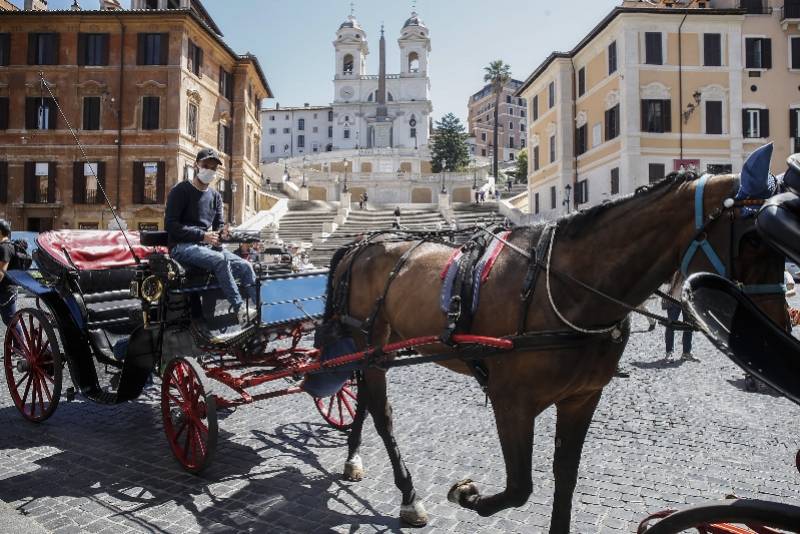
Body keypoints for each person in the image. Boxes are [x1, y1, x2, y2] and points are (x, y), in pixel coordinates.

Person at [165, 148, 257, 327]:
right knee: (220, 259)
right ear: (196, 165)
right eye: (206, 166)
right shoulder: (180, 190)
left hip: (205, 247)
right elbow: (170, 225)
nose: (210, 171)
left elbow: (219, 226)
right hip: (181, 247)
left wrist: (223, 232)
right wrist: (202, 235)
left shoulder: (215, 196)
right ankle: (240, 310)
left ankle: (263, 310)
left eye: (213, 168)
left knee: (246, 267)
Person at [663, 272, 695, 361]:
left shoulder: (692, 267)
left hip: (688, 301)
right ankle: (669, 352)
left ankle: (686, 352)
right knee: (670, 325)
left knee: (688, 327)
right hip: (674, 298)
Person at [0, 220, 19, 326]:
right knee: (10, 321)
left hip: (5, 291)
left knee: (11, 322)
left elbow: (1, 273)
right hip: (7, 289)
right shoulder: (8, 245)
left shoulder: (4, 248)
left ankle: (20, 343)